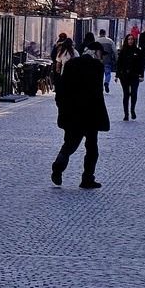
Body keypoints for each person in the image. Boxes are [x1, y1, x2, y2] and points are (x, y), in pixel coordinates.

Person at [52, 32, 109, 189]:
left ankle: (58, 167)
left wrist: (61, 107)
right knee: (92, 148)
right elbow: (97, 93)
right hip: (90, 114)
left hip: (72, 113)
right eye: (100, 54)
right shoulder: (98, 67)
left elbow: (62, 88)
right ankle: (87, 178)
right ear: (96, 53)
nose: (101, 57)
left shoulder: (71, 64)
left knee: (69, 145)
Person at [114, 32, 145, 120]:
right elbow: (119, 64)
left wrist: (141, 75)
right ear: (126, 41)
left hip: (135, 75)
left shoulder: (138, 51)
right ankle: (126, 114)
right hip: (124, 76)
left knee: (134, 93)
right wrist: (117, 75)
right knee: (126, 94)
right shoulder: (122, 52)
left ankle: (132, 109)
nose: (130, 41)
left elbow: (142, 64)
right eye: (129, 39)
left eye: (132, 39)